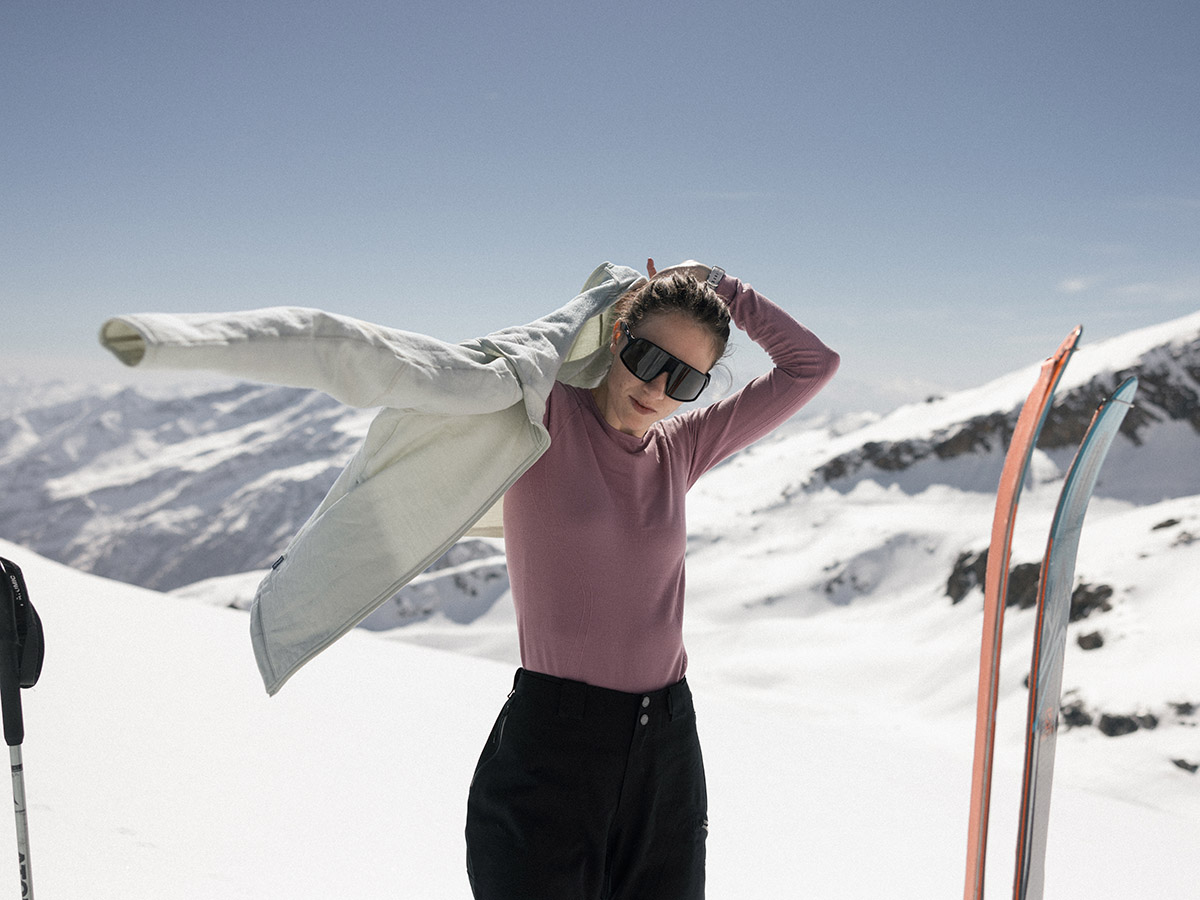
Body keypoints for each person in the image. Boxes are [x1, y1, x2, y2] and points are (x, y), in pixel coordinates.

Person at [464, 259, 839, 899]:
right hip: (554, 744)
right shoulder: (544, 414)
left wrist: (720, 285)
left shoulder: (681, 448)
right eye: (646, 357)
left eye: (686, 378)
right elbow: (489, 361)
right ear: (619, 337)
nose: (659, 388)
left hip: (665, 745)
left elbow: (812, 365)